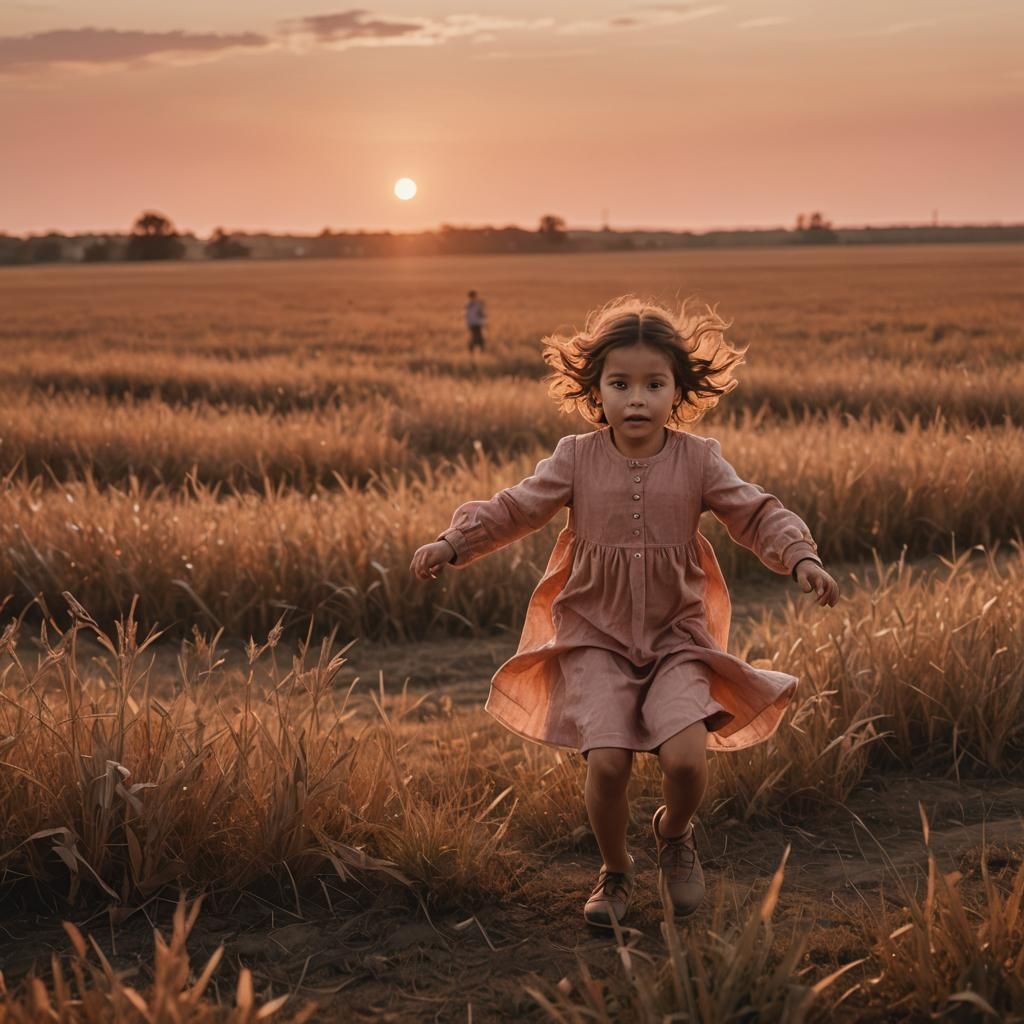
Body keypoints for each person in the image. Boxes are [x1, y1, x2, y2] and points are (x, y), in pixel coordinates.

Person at [409, 295, 840, 929]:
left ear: (677, 391)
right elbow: (516, 507)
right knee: (607, 763)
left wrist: (800, 557)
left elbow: (755, 512)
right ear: (596, 390)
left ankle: (673, 833)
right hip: (593, 635)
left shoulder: (698, 459)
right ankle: (614, 871)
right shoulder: (575, 457)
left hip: (677, 637)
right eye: (620, 384)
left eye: (653, 384)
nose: (636, 398)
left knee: (687, 760)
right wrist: (454, 541)